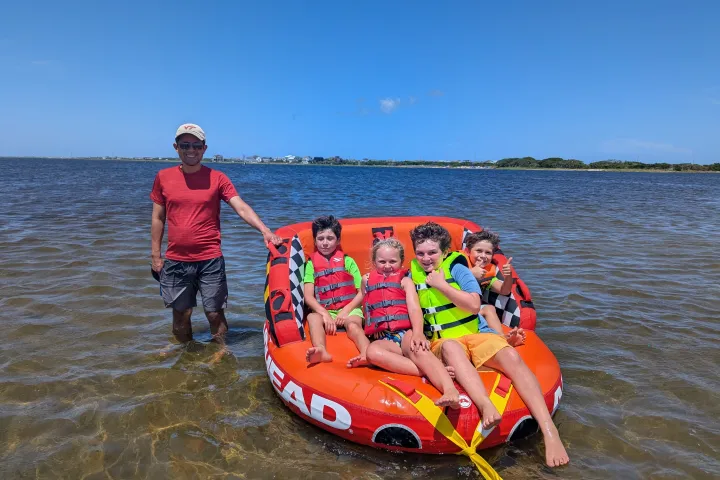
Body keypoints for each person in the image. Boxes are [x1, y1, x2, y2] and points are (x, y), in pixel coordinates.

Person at [409, 222, 569, 467]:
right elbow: (412, 309)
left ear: (444, 251)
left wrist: (441, 285)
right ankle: (486, 406)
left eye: (432, 253)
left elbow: (474, 305)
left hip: (474, 332)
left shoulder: (458, 267)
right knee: (452, 348)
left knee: (512, 358)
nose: (426, 259)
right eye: (420, 253)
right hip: (443, 340)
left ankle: (550, 432)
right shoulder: (412, 274)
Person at [150, 123, 282, 345]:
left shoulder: (218, 178)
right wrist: (155, 255)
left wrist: (265, 230)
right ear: (176, 147)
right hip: (175, 261)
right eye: (185, 145)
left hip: (210, 259)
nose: (190, 150)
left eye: (196, 145)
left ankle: (220, 353)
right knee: (181, 316)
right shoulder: (163, 177)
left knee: (214, 314)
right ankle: (186, 356)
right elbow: (158, 218)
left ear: (204, 148)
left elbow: (240, 206)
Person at [347, 238, 460, 408]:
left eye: (392, 261)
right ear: (373, 262)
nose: (387, 266)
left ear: (401, 262)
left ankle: (450, 390)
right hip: (384, 338)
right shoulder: (366, 280)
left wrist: (418, 333)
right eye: (382, 261)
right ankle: (433, 369)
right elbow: (368, 304)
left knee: (418, 349)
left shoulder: (405, 281)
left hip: (404, 332)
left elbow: (414, 309)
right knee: (372, 352)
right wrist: (372, 328)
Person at [303, 216, 367, 365]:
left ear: (338, 241)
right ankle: (321, 350)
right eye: (321, 238)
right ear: (315, 240)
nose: (325, 243)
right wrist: (324, 314)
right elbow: (308, 296)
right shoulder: (311, 265)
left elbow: (362, 291)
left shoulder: (348, 261)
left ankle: (365, 352)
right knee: (313, 318)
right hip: (325, 309)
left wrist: (346, 311)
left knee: (353, 325)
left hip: (351, 308)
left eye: (330, 238)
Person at [465, 230, 526, 347]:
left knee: (489, 308)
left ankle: (503, 341)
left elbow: (504, 290)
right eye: (478, 251)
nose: (483, 256)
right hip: (453, 308)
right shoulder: (458, 263)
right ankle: (503, 341)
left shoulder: (488, 272)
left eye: (488, 253)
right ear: (468, 251)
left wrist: (508, 276)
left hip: (473, 310)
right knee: (488, 309)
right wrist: (470, 273)